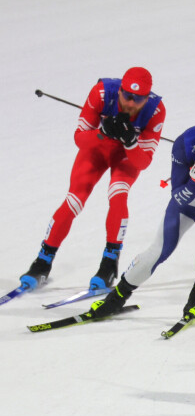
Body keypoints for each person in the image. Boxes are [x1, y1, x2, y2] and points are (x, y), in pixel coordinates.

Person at [88, 101, 195, 321]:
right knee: (160, 249)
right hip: (192, 194)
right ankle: (117, 297)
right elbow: (177, 195)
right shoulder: (185, 143)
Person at [20, 67, 166, 291]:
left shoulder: (156, 111)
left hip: (126, 156)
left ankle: (109, 265)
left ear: (146, 99)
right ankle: (42, 262)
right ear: (120, 92)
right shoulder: (101, 93)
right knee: (74, 200)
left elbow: (143, 162)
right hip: (98, 149)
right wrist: (103, 132)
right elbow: (79, 138)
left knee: (118, 196)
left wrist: (130, 142)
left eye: (138, 100)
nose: (130, 103)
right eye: (127, 96)